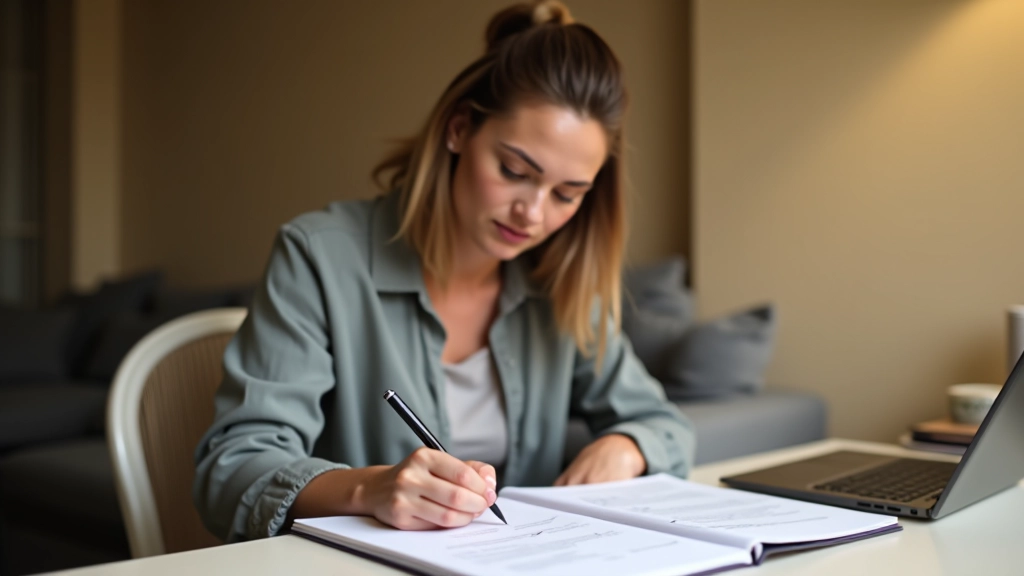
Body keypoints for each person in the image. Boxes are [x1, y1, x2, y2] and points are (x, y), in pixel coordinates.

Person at [194, 0, 694, 542]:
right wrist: (369, 490)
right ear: (459, 129)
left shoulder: (559, 284)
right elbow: (230, 469)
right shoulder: (319, 257)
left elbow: (666, 425)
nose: (533, 213)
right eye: (513, 170)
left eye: (567, 194)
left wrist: (627, 447)